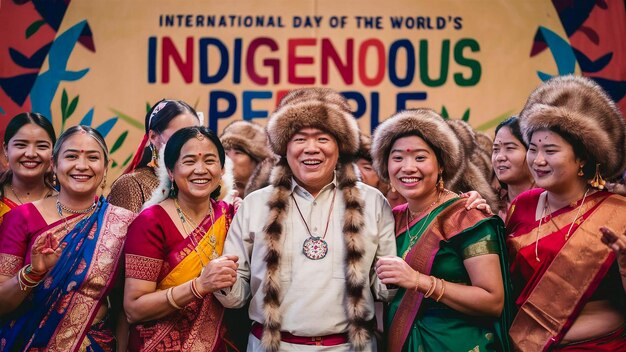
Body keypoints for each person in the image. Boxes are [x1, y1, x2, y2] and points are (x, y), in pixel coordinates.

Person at [215, 88, 397, 351]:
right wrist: (221, 281)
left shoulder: (372, 202)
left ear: (339, 146)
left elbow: (384, 290)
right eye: (300, 139)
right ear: (284, 147)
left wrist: (397, 277)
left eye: (323, 138)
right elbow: (236, 295)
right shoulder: (256, 204)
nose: (311, 149)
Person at [371, 109, 513, 351]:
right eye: (397, 158)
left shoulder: (466, 216)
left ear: (441, 165)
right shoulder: (390, 218)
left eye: (420, 157)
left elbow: (492, 300)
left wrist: (418, 281)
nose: (407, 167)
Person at [507, 75, 626, 350]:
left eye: (550, 150)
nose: (537, 161)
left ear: (583, 157)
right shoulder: (521, 206)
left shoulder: (617, 213)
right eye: (533, 149)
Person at [0, 125, 135, 351]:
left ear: (106, 165)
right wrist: (33, 273)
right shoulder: (22, 218)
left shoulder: (123, 223)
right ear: (54, 163)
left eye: (93, 157)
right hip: (25, 342)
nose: (81, 166)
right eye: (71, 156)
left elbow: (124, 305)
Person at [123, 126, 239, 351]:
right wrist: (199, 286)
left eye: (210, 160)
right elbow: (134, 308)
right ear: (170, 171)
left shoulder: (231, 216)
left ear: (222, 169)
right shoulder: (151, 222)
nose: (200, 170)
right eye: (188, 161)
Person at [108, 99, 200, 213]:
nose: (189, 144)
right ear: (153, 137)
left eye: (195, 135)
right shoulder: (131, 184)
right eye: (179, 136)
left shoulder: (202, 180)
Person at [0, 112, 56, 223]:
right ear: (6, 149)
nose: (31, 154)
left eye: (42, 146)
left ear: (53, 152)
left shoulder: (65, 204)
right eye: (21, 145)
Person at [491, 117, 535, 220]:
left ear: (532, 151)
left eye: (510, 148)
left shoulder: (552, 203)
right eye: (496, 149)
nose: (499, 157)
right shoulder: (491, 205)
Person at [220, 120, 275, 198]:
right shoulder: (215, 198)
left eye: (238, 153)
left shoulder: (272, 196)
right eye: (226, 153)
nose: (229, 159)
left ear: (258, 161)